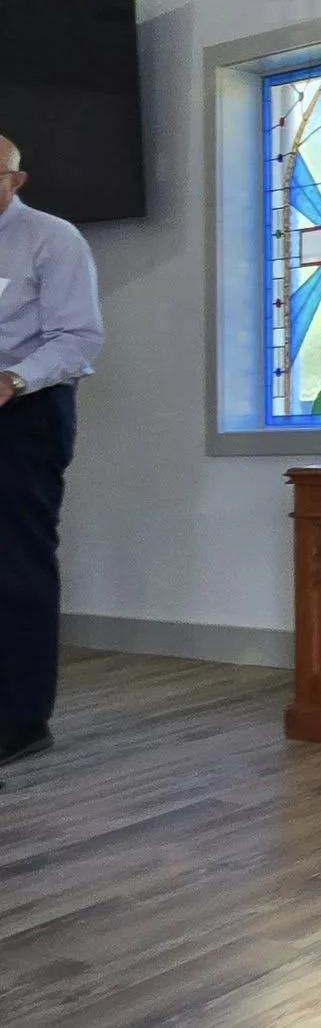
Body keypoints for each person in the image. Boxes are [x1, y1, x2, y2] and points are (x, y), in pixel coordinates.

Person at [0, 134, 105, 768]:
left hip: (25, 413)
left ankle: (21, 720)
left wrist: (13, 379)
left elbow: (79, 337)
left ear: (15, 181)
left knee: (14, 562)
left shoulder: (52, 239)